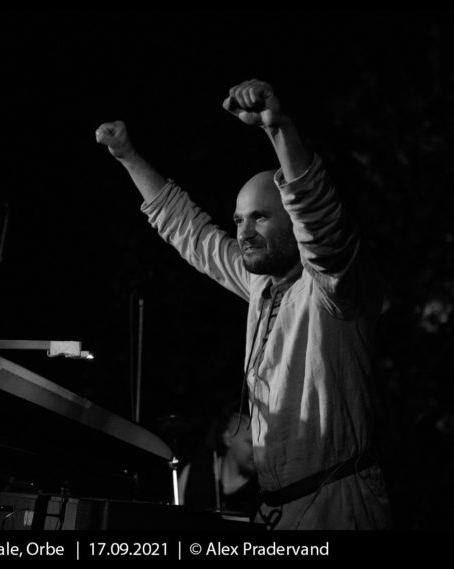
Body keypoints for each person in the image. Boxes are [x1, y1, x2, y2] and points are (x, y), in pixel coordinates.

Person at [96, 79, 391, 530]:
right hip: (277, 509)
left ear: (294, 222)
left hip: (337, 506)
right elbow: (191, 232)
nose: (244, 232)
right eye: (238, 219)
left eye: (260, 217)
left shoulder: (335, 289)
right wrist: (128, 156)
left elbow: (322, 224)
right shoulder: (261, 285)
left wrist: (278, 128)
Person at [177, 404, 260, 518]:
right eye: (251, 442)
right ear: (228, 438)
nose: (260, 450)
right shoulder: (194, 473)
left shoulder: (264, 488)